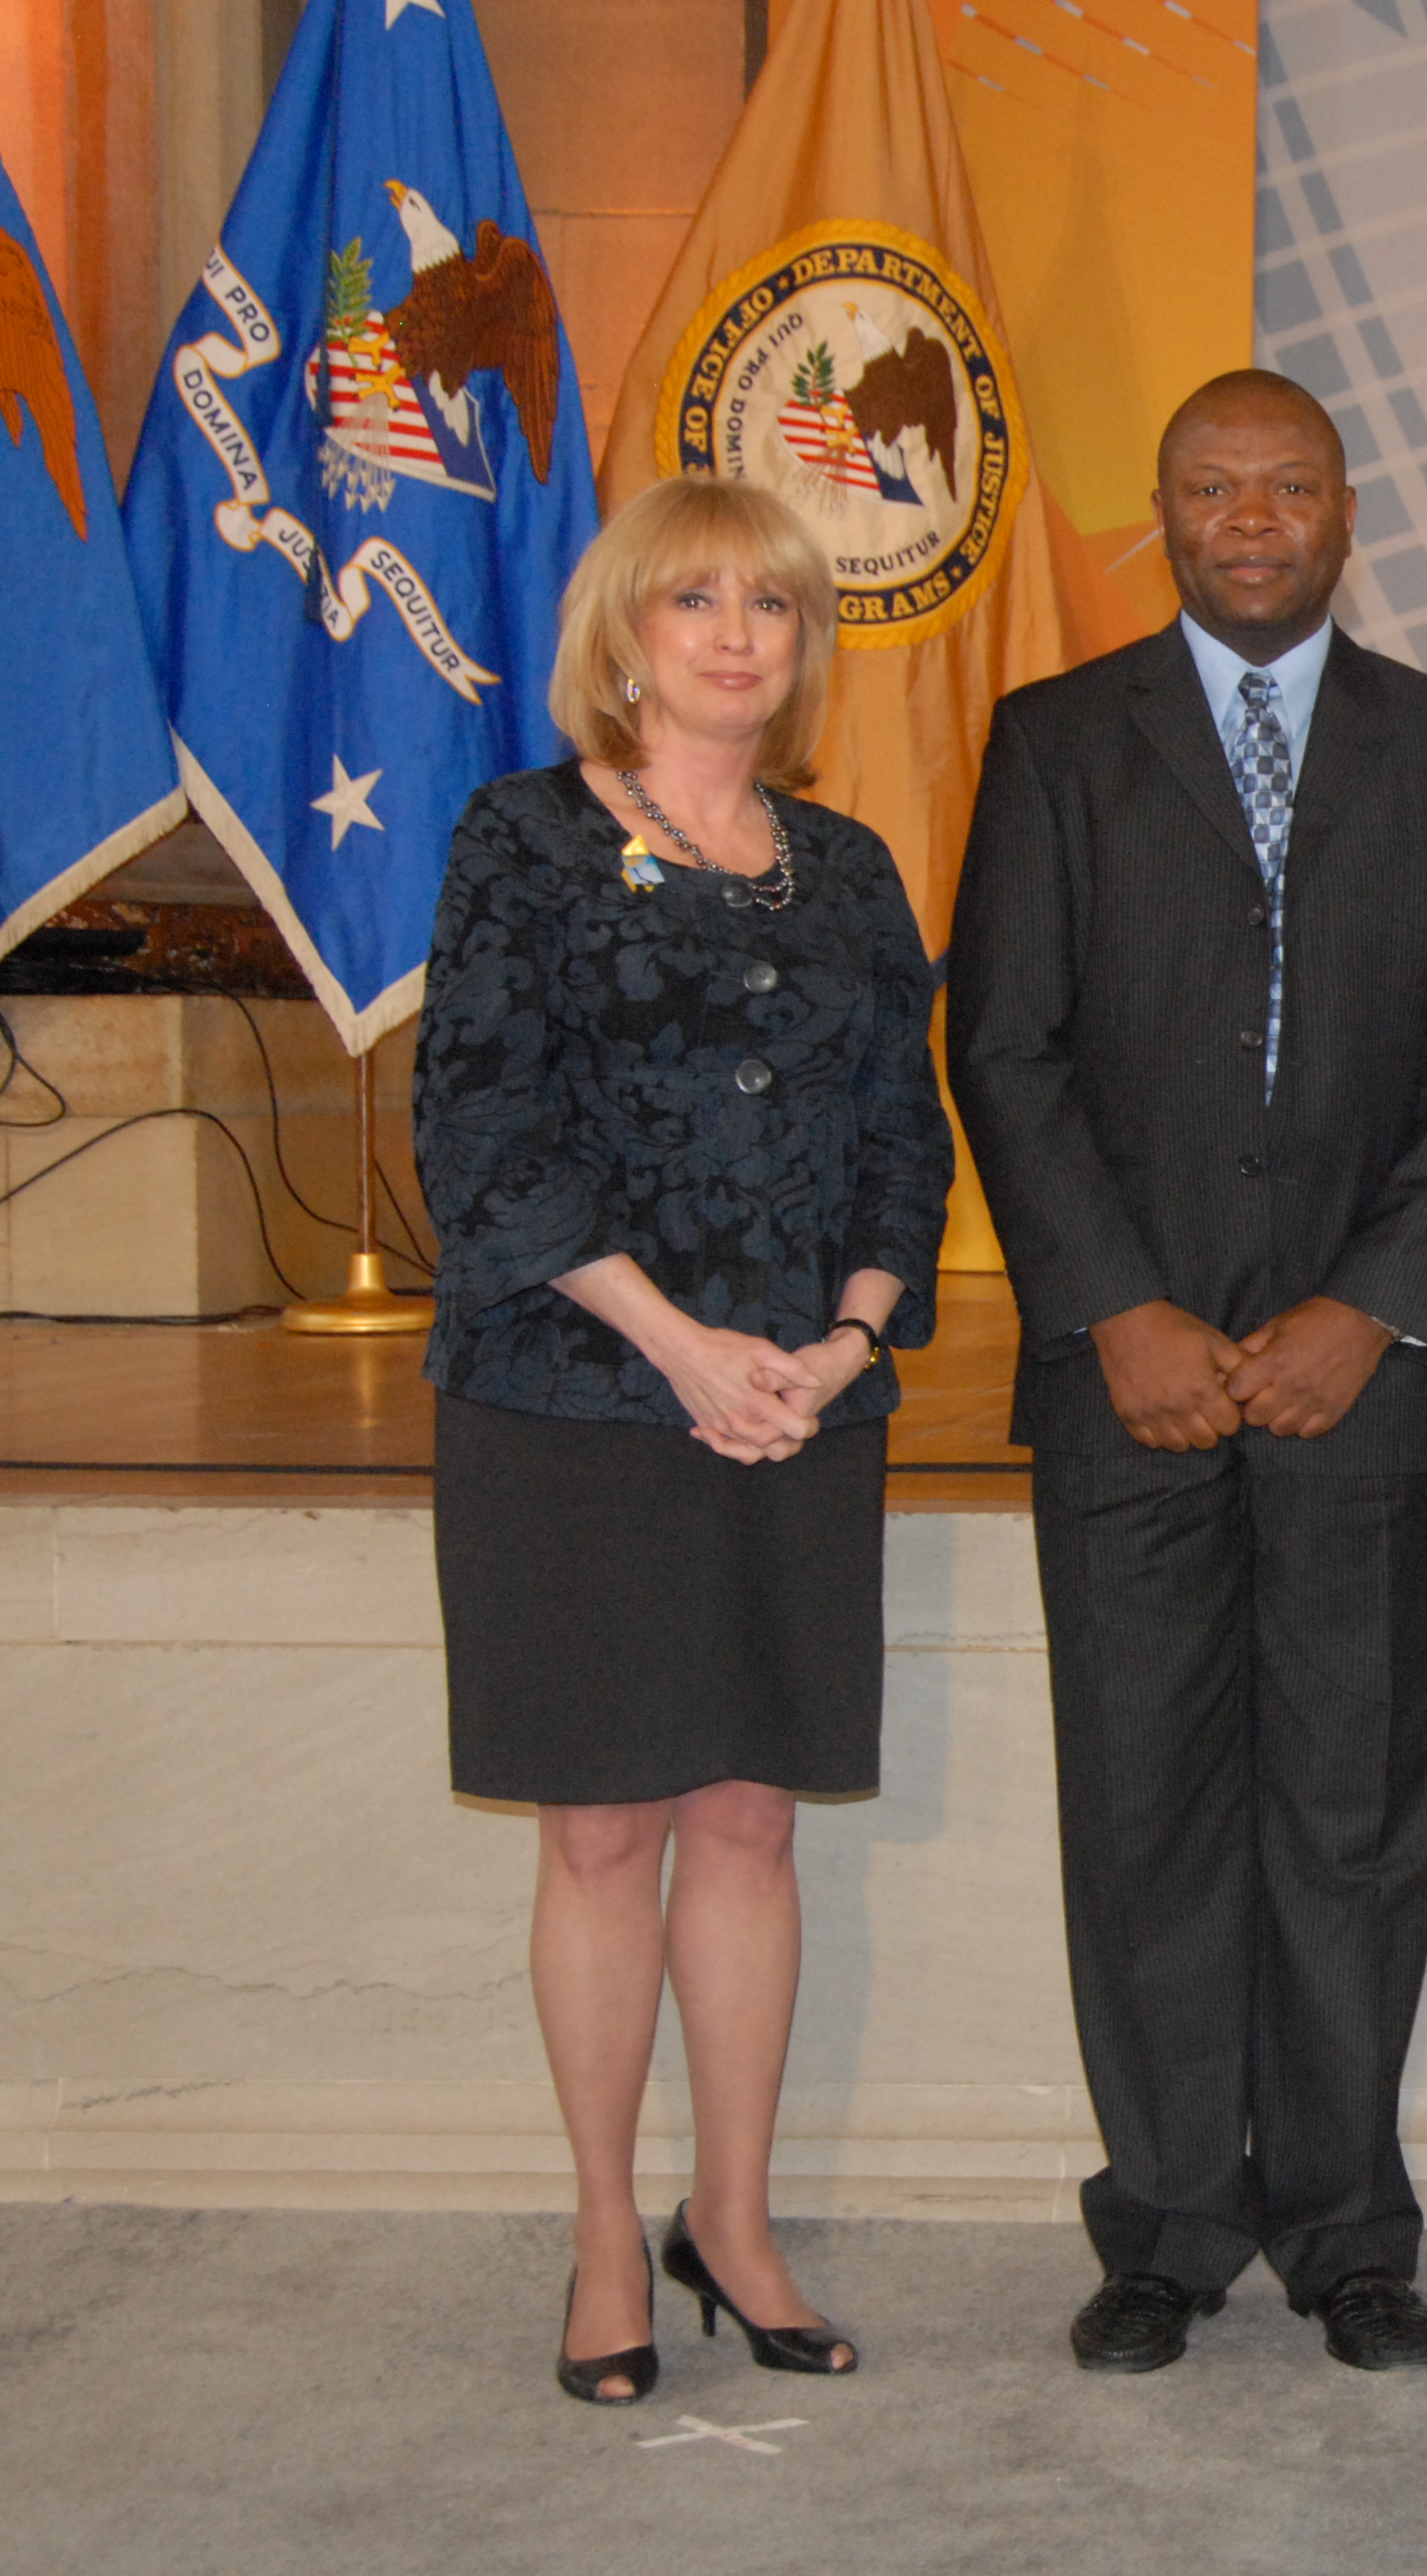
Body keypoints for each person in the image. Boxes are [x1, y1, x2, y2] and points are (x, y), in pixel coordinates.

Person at [945, 370, 1427, 2377]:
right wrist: (1113, 1302)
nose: (1253, 516)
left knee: (1354, 1813)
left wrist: (1368, 1307)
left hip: (1348, 1380)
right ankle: (1168, 2222)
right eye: (1213, 486)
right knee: (1146, 1807)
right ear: (1163, 511)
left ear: (1346, 507)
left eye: (1288, 484)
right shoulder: (1052, 743)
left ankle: (1348, 2224)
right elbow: (1004, 1047)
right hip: (1129, 1383)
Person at [412, 473, 952, 2406]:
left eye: (775, 605)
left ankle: (731, 2225)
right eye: (695, 599)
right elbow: (483, 1136)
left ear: (808, 645)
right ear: (624, 633)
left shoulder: (854, 870)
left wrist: (835, 1343)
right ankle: (596, 2238)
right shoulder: (520, 842)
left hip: (802, 1408)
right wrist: (679, 1344)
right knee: (602, 1826)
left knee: (746, 1820)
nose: (736, 633)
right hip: (576, 1405)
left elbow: (908, 1143)